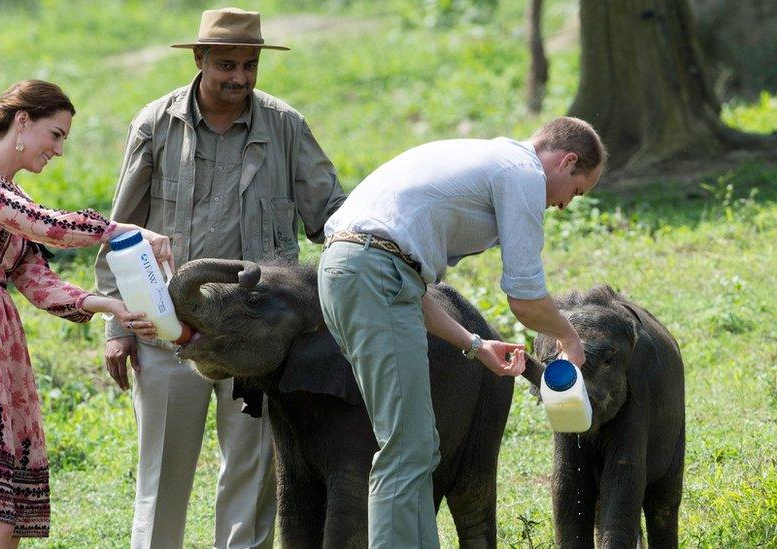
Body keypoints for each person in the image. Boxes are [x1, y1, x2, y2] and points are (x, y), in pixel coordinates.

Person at [94, 7, 346, 549]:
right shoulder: (155, 124)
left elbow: (330, 214)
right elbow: (121, 228)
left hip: (259, 332)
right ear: (199, 58)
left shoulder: (284, 126)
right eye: (227, 64)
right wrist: (116, 329)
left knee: (253, 474)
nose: (240, 77)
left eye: (250, 65)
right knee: (161, 474)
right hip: (166, 323)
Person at [0, 80, 173, 547]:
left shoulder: (9, 201)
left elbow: (38, 283)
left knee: (4, 504)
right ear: (23, 121)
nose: (60, 149)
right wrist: (118, 230)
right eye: (57, 134)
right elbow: (43, 224)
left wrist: (110, 305)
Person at [317, 116, 606, 547]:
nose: (565, 205)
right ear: (567, 161)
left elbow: (407, 281)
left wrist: (474, 343)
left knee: (417, 445)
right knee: (405, 450)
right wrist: (570, 338)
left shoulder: (487, 157)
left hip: (351, 273)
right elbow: (525, 299)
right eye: (577, 192)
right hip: (369, 275)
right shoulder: (522, 171)